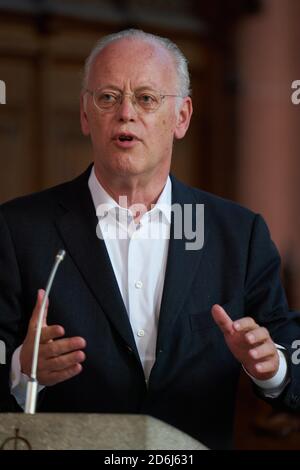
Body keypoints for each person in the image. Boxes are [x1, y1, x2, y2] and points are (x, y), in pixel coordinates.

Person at [0, 29, 299, 450]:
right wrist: (20, 369)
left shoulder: (238, 235)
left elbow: (290, 356)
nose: (126, 113)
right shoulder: (17, 229)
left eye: (146, 98)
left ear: (181, 117)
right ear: (86, 115)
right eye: (107, 97)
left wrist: (273, 368)